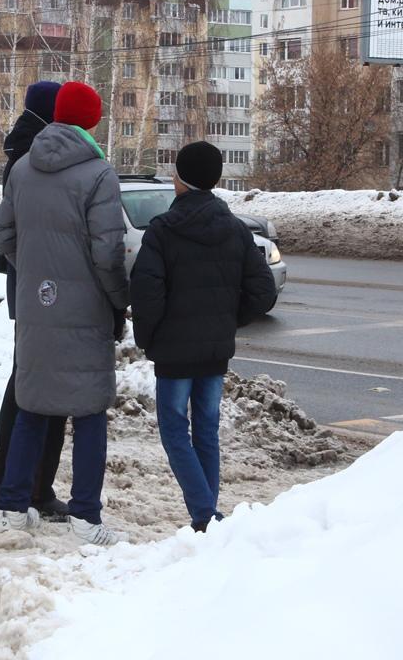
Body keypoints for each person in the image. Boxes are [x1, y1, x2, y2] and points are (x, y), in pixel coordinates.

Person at [0, 81, 130, 546]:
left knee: (32, 405)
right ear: (92, 119)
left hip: (35, 304)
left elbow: (5, 237)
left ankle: (12, 506)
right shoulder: (98, 174)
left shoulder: (24, 167)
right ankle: (86, 516)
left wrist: (36, 274)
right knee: (89, 411)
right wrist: (116, 299)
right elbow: (108, 253)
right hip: (85, 307)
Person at [128, 141, 278, 532]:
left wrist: (148, 337)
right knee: (206, 430)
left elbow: (147, 292)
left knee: (175, 431)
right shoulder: (235, 229)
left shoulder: (163, 230)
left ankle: (205, 515)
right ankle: (208, 518)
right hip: (214, 350)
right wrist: (228, 320)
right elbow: (262, 290)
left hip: (174, 354)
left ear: (181, 180)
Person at [0, 81, 69, 521]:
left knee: (27, 381)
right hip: (40, 283)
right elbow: (17, 229)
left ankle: (14, 482)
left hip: (28, 280)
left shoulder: (25, 145)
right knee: (36, 384)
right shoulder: (35, 154)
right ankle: (26, 486)